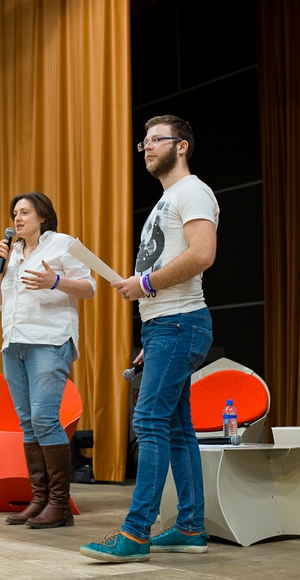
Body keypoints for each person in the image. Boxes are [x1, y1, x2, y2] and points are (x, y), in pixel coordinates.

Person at [80, 115, 219, 562]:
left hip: (179, 323)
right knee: (176, 429)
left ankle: (137, 532)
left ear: (182, 146)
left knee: (149, 422)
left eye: (157, 139)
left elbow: (203, 254)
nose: (147, 147)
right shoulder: (168, 200)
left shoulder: (192, 191)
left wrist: (144, 284)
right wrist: (151, 333)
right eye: (144, 141)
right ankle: (190, 528)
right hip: (165, 327)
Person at [0, 191, 96, 529]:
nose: (17, 218)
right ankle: (39, 500)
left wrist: (56, 282)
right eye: (15, 213)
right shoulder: (13, 252)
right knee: (27, 422)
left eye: (24, 212)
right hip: (14, 344)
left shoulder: (63, 244)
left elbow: (90, 287)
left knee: (45, 418)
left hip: (49, 341)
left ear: (43, 217)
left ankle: (59, 505)